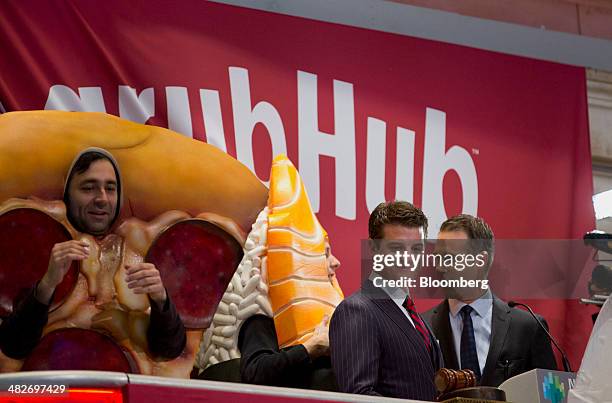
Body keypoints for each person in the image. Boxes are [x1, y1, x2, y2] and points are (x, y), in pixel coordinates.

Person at [0, 148, 186, 361]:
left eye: (111, 188)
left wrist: (161, 301)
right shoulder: (42, 246)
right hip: (51, 389)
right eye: (89, 188)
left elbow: (169, 351)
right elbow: (13, 345)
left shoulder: (141, 251)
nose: (102, 199)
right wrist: (46, 286)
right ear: (68, 193)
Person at [422, 214, 557, 387]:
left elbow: (550, 395)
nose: (439, 267)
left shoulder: (528, 328)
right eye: (438, 258)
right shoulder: (422, 327)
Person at [329, 201, 443, 400]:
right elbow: (358, 396)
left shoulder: (410, 312)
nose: (408, 259)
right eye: (397, 248)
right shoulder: (356, 310)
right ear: (373, 248)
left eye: (416, 249)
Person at [236, 239, 341, 390]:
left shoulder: (342, 320)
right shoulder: (264, 320)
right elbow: (254, 372)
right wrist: (311, 347)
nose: (336, 262)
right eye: (325, 254)